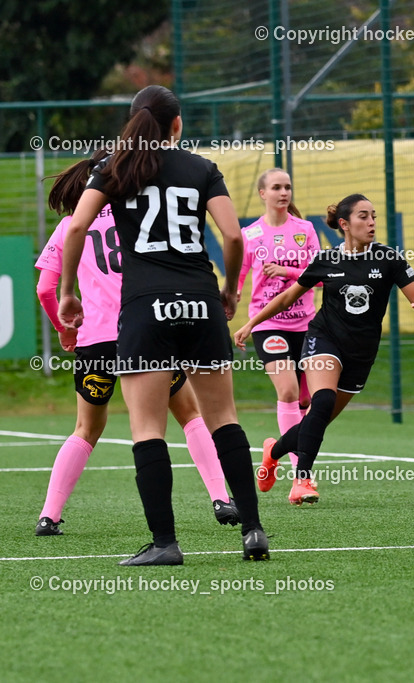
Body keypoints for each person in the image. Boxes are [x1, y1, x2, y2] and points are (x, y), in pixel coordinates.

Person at [58, 85, 267, 565]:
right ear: (177, 125)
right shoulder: (201, 169)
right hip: (199, 301)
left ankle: (165, 544)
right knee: (224, 419)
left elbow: (75, 227)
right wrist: (231, 289)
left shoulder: (113, 168)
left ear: (134, 123)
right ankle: (253, 531)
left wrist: (68, 292)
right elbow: (233, 235)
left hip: (146, 306)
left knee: (147, 427)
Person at [34, 151, 238, 536]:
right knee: (189, 415)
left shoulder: (69, 227)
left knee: (85, 428)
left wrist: (64, 329)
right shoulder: (137, 215)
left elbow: (46, 287)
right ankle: (220, 497)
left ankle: (49, 515)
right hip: (143, 331)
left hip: (94, 342)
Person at [234, 193, 414, 505]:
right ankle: (301, 481)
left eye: (374, 216)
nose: (371, 223)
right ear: (344, 224)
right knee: (322, 401)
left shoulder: (389, 259)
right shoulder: (327, 261)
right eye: (363, 216)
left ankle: (272, 452)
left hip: (361, 352)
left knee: (316, 419)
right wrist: (250, 324)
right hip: (324, 340)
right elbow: (287, 297)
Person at [238, 168, 320, 476]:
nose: (283, 192)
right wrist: (230, 301)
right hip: (268, 325)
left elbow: (321, 278)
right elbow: (239, 277)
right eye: (276, 187)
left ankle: (274, 451)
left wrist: (287, 272)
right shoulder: (250, 235)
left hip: (305, 325)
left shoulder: (305, 230)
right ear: (263, 194)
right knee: (286, 391)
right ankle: (302, 473)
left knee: (307, 399)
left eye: (287, 187)